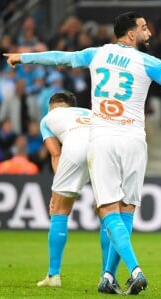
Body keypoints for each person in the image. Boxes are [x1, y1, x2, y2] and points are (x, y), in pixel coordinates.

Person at [4, 11, 161, 295]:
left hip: (103, 139)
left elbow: (60, 57)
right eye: (143, 27)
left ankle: (134, 271)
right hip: (135, 141)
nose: (148, 31)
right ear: (130, 35)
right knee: (127, 210)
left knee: (108, 210)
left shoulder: (96, 54)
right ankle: (107, 276)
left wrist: (23, 57)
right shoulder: (149, 62)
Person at [36, 92, 95, 288]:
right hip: (105, 148)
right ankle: (108, 276)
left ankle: (54, 276)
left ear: (52, 107)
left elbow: (56, 154)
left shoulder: (48, 118)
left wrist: (56, 192)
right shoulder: (90, 112)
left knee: (59, 212)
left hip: (75, 150)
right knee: (108, 211)